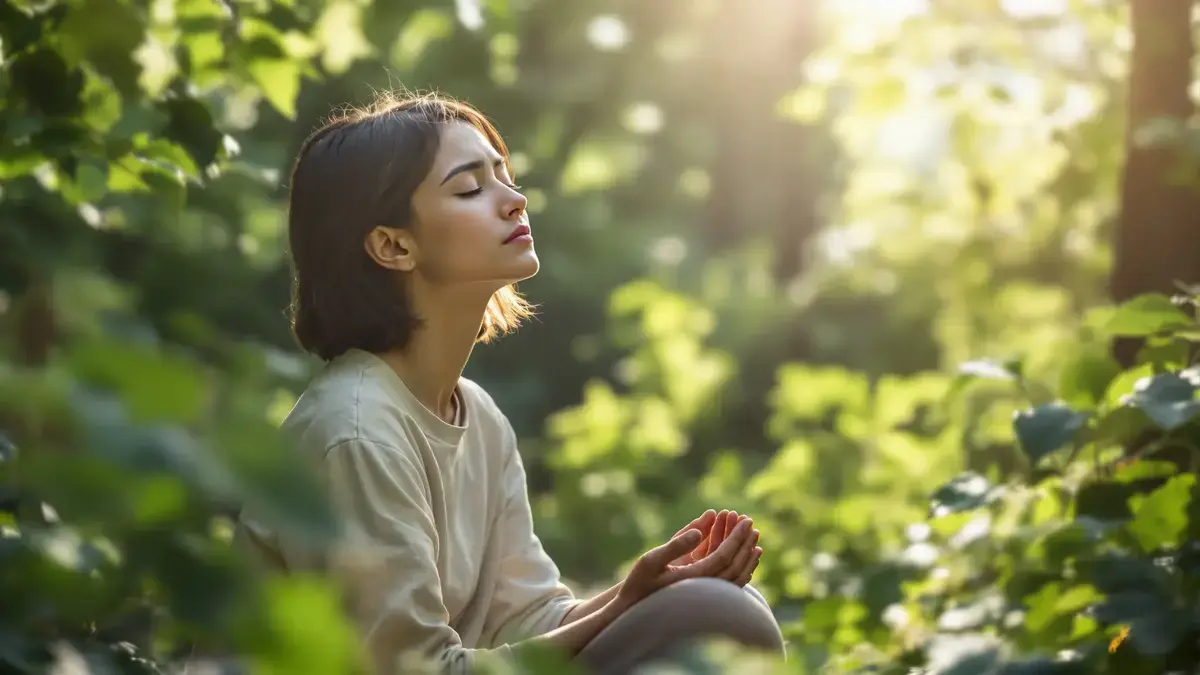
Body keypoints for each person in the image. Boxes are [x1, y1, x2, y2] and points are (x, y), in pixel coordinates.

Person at [234, 92, 785, 675]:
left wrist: (647, 589)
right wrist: (629, 603)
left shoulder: (477, 415)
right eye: (470, 188)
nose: (515, 199)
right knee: (719, 615)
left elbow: (528, 621)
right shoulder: (356, 432)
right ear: (393, 245)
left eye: (503, 175)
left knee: (718, 607)